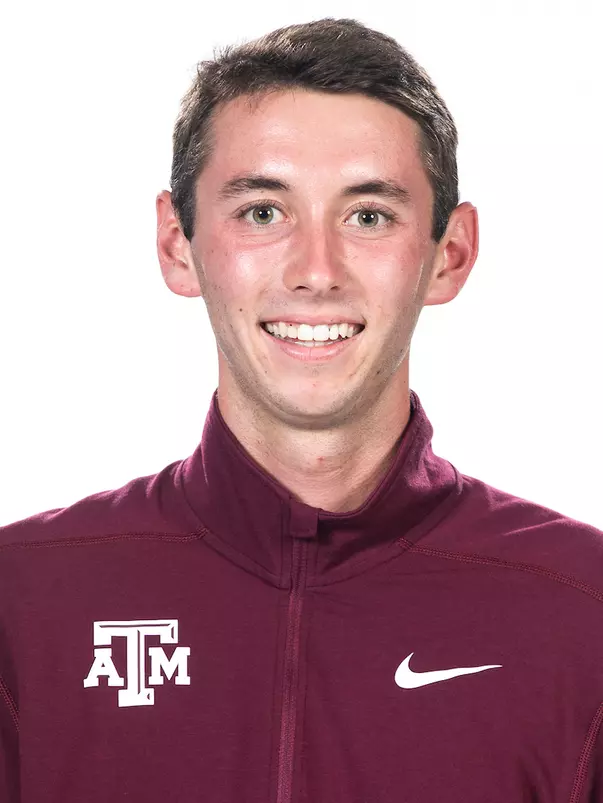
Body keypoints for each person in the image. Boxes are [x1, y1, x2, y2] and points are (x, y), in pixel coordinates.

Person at [1, 16, 602, 803]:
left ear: (447, 253)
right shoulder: (23, 599)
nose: (315, 271)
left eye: (367, 215)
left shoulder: (579, 605)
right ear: (177, 244)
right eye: (261, 211)